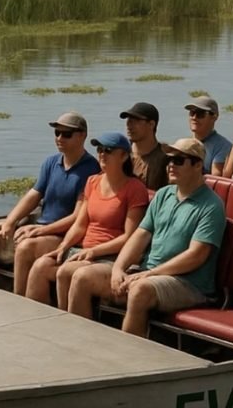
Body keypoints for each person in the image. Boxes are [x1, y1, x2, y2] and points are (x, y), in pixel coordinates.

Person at [77, 138, 227, 337]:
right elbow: (140, 235)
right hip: (148, 271)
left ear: (198, 165)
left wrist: (150, 274)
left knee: (140, 290)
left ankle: (129, 357)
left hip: (188, 284)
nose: (171, 165)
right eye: (170, 160)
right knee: (82, 277)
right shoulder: (164, 194)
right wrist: (118, 268)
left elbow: (196, 256)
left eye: (179, 161)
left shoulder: (211, 206)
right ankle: (80, 344)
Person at [0, 111, 100, 295]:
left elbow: (77, 217)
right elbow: (33, 196)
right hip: (39, 225)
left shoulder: (91, 169)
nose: (60, 138)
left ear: (82, 135)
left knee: (25, 247)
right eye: (57, 133)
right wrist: (11, 221)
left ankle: (18, 301)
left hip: (63, 235)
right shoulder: (51, 162)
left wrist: (41, 230)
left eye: (66, 134)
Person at [28, 131, 149, 310]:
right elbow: (80, 224)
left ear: (123, 156)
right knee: (41, 266)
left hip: (109, 255)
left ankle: (68, 323)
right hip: (82, 250)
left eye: (108, 150)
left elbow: (129, 237)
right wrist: (63, 247)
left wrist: (94, 252)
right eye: (99, 149)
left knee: (66, 272)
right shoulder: (92, 182)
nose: (101, 154)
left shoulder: (134, 188)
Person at [121, 101, 168, 190]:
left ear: (151, 124)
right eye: (129, 120)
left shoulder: (166, 157)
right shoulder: (119, 153)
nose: (129, 126)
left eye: (136, 121)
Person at [185, 96, 232, 175]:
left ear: (214, 117)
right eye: (192, 113)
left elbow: (216, 179)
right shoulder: (184, 144)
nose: (194, 117)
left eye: (200, 114)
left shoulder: (223, 147)